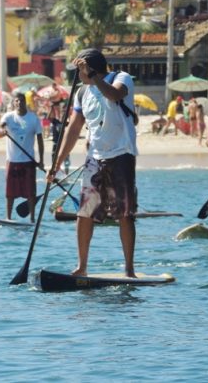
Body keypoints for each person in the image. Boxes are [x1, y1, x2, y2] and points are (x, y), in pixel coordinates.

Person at [47, 48, 137, 277]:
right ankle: (82, 267)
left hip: (121, 154)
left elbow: (114, 95)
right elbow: (73, 128)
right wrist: (56, 164)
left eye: (80, 70)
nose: (77, 76)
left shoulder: (121, 78)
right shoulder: (81, 93)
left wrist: (95, 75)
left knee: (124, 214)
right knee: (84, 213)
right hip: (94, 158)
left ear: (91, 68)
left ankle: (129, 269)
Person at [0, 93, 44, 222]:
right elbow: (0, 126)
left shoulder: (33, 118)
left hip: (28, 161)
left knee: (30, 193)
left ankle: (32, 220)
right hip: (12, 160)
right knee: (10, 193)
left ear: (25, 102)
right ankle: (8, 218)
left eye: (21, 101)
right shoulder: (8, 117)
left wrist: (42, 161)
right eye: (16, 101)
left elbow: (40, 140)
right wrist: (2, 130)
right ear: (13, 103)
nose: (19, 103)